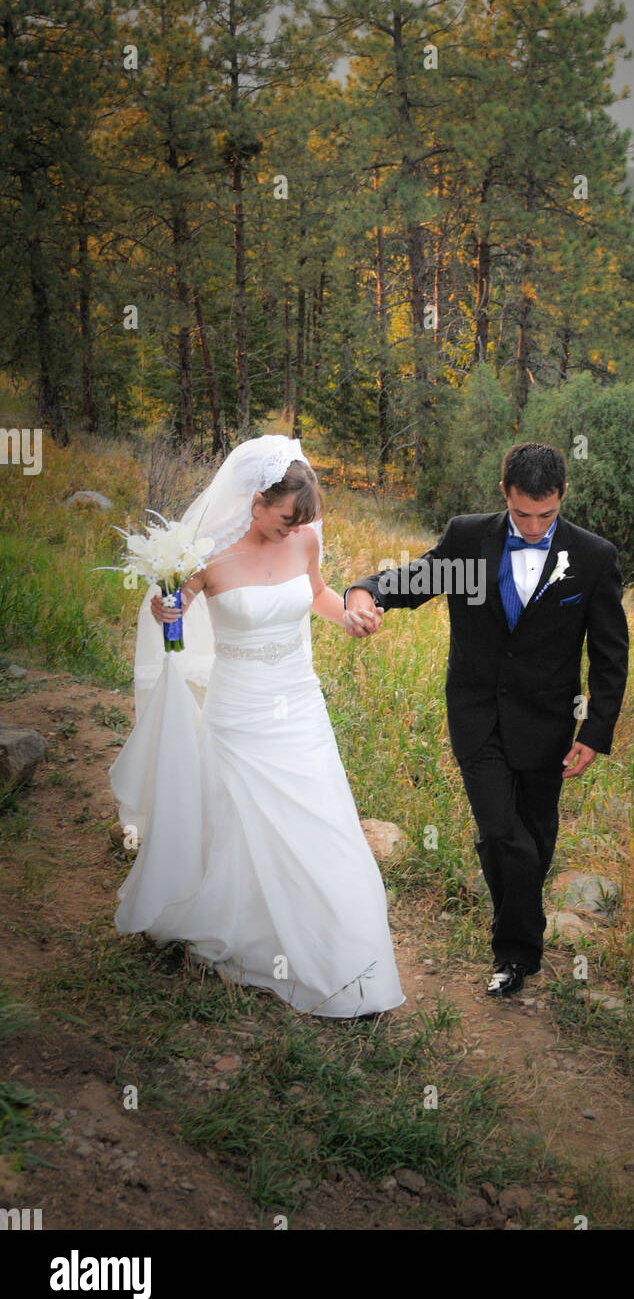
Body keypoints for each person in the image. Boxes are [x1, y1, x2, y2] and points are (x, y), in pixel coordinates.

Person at [109, 435, 405, 1019]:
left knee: (319, 815)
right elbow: (172, 607)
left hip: (298, 701)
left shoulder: (306, 539)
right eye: (283, 521)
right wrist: (163, 608)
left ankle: (343, 948)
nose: (291, 533)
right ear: (255, 502)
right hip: (239, 707)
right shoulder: (208, 556)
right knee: (243, 821)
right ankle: (247, 929)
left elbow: (316, 593)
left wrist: (346, 617)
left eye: (300, 524)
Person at [345, 442, 629, 998]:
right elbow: (417, 580)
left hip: (548, 725)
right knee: (501, 828)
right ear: (505, 494)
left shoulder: (594, 557)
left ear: (562, 498)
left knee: (534, 838)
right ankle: (517, 953)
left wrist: (595, 730)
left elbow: (610, 654)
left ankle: (516, 935)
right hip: (476, 713)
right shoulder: (470, 537)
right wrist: (367, 590)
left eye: (545, 515)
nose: (532, 526)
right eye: (522, 513)